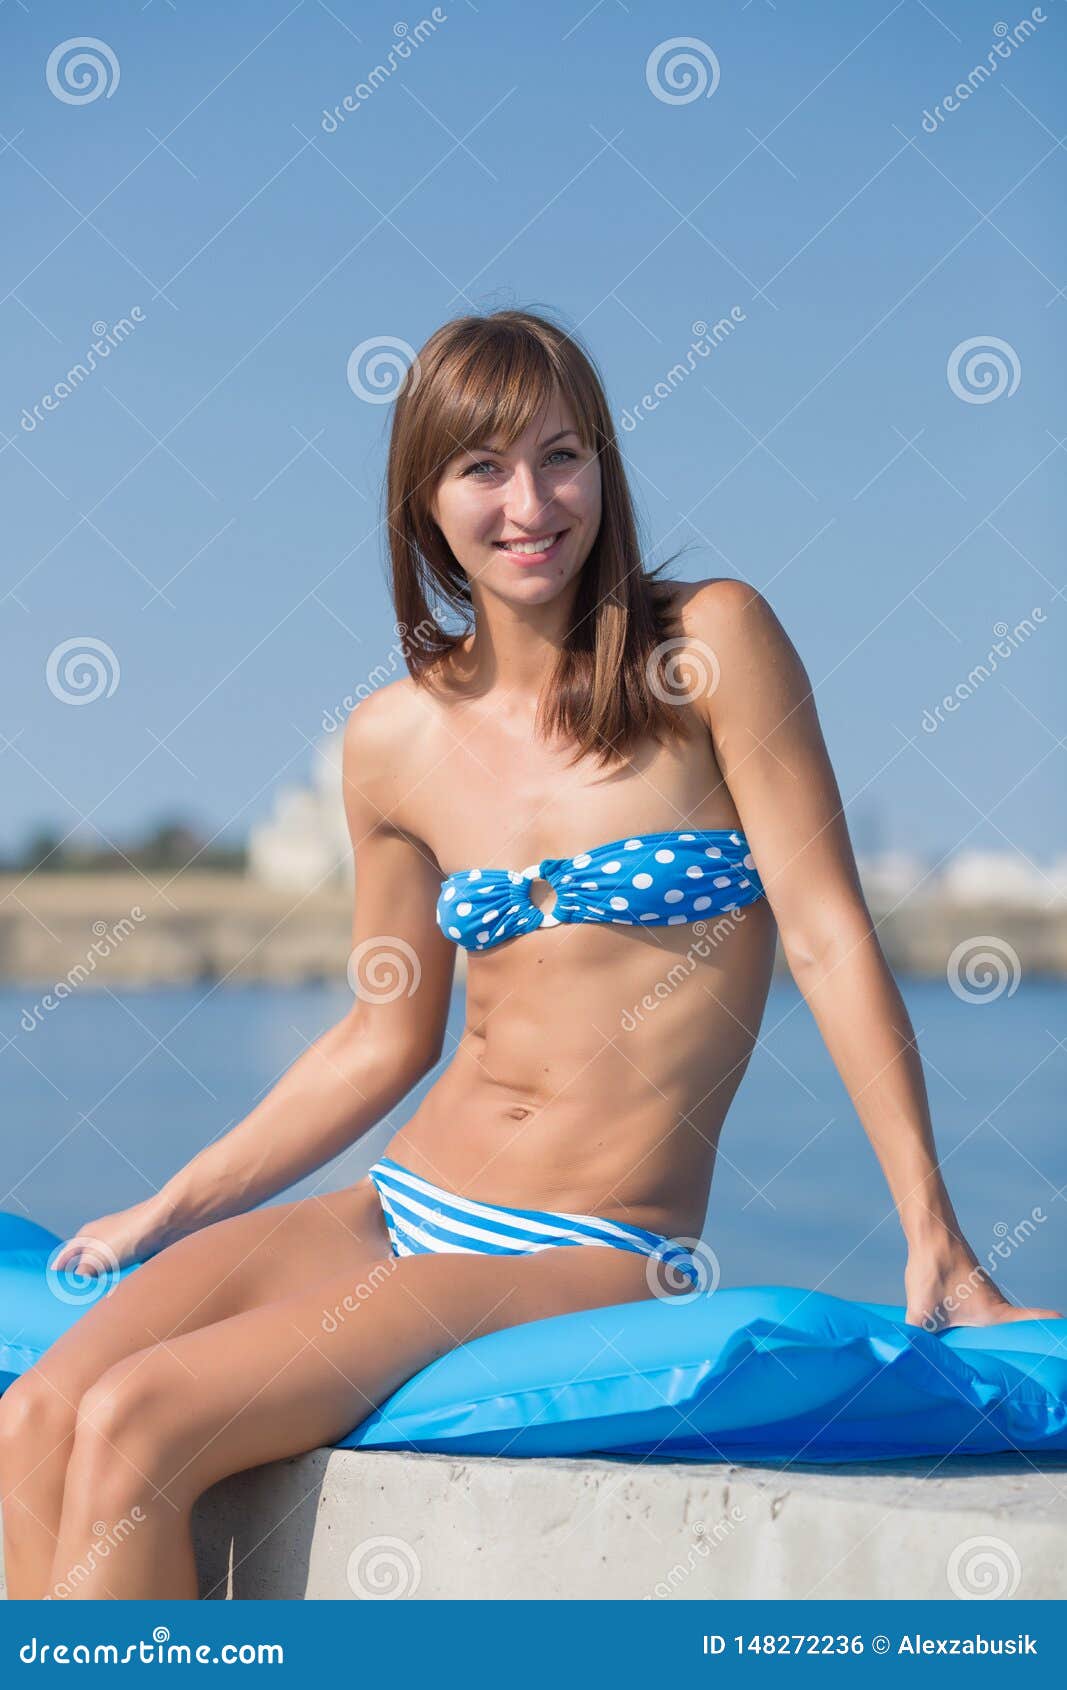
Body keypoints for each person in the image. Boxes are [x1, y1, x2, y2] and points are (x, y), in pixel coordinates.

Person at [1, 309, 1058, 1602]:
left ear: (605, 467)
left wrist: (934, 1233)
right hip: (398, 1201)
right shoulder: (393, 738)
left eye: (563, 456)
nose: (530, 502)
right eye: (482, 469)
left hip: (583, 1238)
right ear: (424, 503)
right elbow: (381, 1034)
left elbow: (831, 937)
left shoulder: (708, 647)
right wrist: (171, 1209)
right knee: (38, 1415)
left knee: (138, 1425)